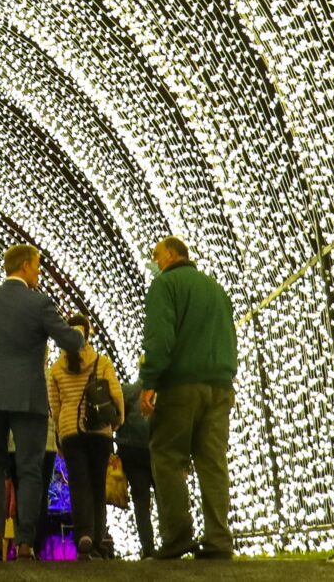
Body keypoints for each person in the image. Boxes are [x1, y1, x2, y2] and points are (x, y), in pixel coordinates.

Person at [0, 244, 83, 560]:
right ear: (27, 266)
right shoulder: (39, 302)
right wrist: (79, 336)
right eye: (38, 267)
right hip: (28, 397)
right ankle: (27, 542)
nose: (39, 273)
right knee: (29, 468)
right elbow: (70, 340)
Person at [138, 236, 235, 560]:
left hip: (181, 385)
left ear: (172, 255)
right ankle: (219, 539)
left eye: (156, 255)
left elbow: (160, 336)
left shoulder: (166, 286)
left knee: (167, 457)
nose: (154, 262)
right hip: (220, 385)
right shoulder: (215, 288)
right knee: (212, 463)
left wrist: (150, 381)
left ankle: (178, 536)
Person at [46, 312, 125, 558]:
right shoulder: (101, 362)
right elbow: (116, 394)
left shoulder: (57, 368)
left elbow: (54, 404)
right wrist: (117, 421)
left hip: (71, 432)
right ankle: (100, 538)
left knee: (79, 485)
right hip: (99, 430)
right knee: (98, 485)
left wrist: (60, 431)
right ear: (88, 335)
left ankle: (84, 535)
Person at [115, 370, 157, 555]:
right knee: (165, 498)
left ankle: (148, 548)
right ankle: (171, 542)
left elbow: (117, 419)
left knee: (141, 500)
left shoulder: (126, 391)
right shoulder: (161, 391)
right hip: (156, 450)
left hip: (131, 451)